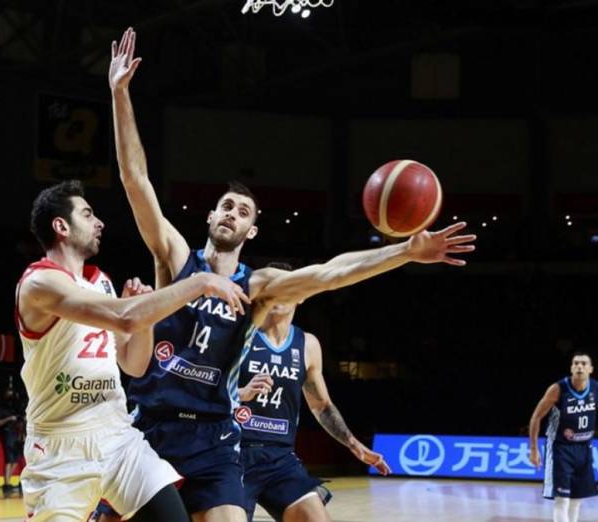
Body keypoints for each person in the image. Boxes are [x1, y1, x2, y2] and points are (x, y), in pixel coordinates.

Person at [106, 26, 477, 522]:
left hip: (213, 436)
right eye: (225, 206)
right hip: (152, 424)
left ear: (252, 230)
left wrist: (404, 251)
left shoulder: (257, 287)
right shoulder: (174, 259)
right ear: (211, 217)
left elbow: (329, 274)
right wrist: (120, 94)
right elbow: (136, 181)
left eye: (243, 211)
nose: (232, 213)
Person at [16, 179, 250, 521]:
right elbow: (124, 317)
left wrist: (142, 319)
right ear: (61, 226)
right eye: (88, 214)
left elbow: (134, 365)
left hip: (116, 435)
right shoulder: (40, 282)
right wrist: (200, 282)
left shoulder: (101, 283)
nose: (100, 223)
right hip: (60, 446)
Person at [237, 262, 390, 522]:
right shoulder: (239, 334)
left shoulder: (307, 344)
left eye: (287, 286)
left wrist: (353, 444)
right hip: (232, 452)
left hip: (280, 458)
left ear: (302, 295)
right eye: (272, 287)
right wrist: (241, 393)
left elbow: (321, 406)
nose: (279, 292)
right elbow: (206, 387)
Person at [529, 353, 598, 522]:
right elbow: (536, 417)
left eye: (584, 363)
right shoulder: (558, 389)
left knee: (576, 500)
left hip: (584, 447)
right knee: (562, 500)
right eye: (576, 363)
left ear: (590, 369)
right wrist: (534, 449)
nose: (579, 366)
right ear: (571, 368)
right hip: (560, 448)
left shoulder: (595, 388)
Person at [0, 388, 24, 496]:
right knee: (9, 459)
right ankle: (6, 484)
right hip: (7, 434)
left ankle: (7, 483)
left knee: (15, 459)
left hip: (16, 435)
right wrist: (9, 419)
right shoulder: (2, 409)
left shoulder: (15, 409)